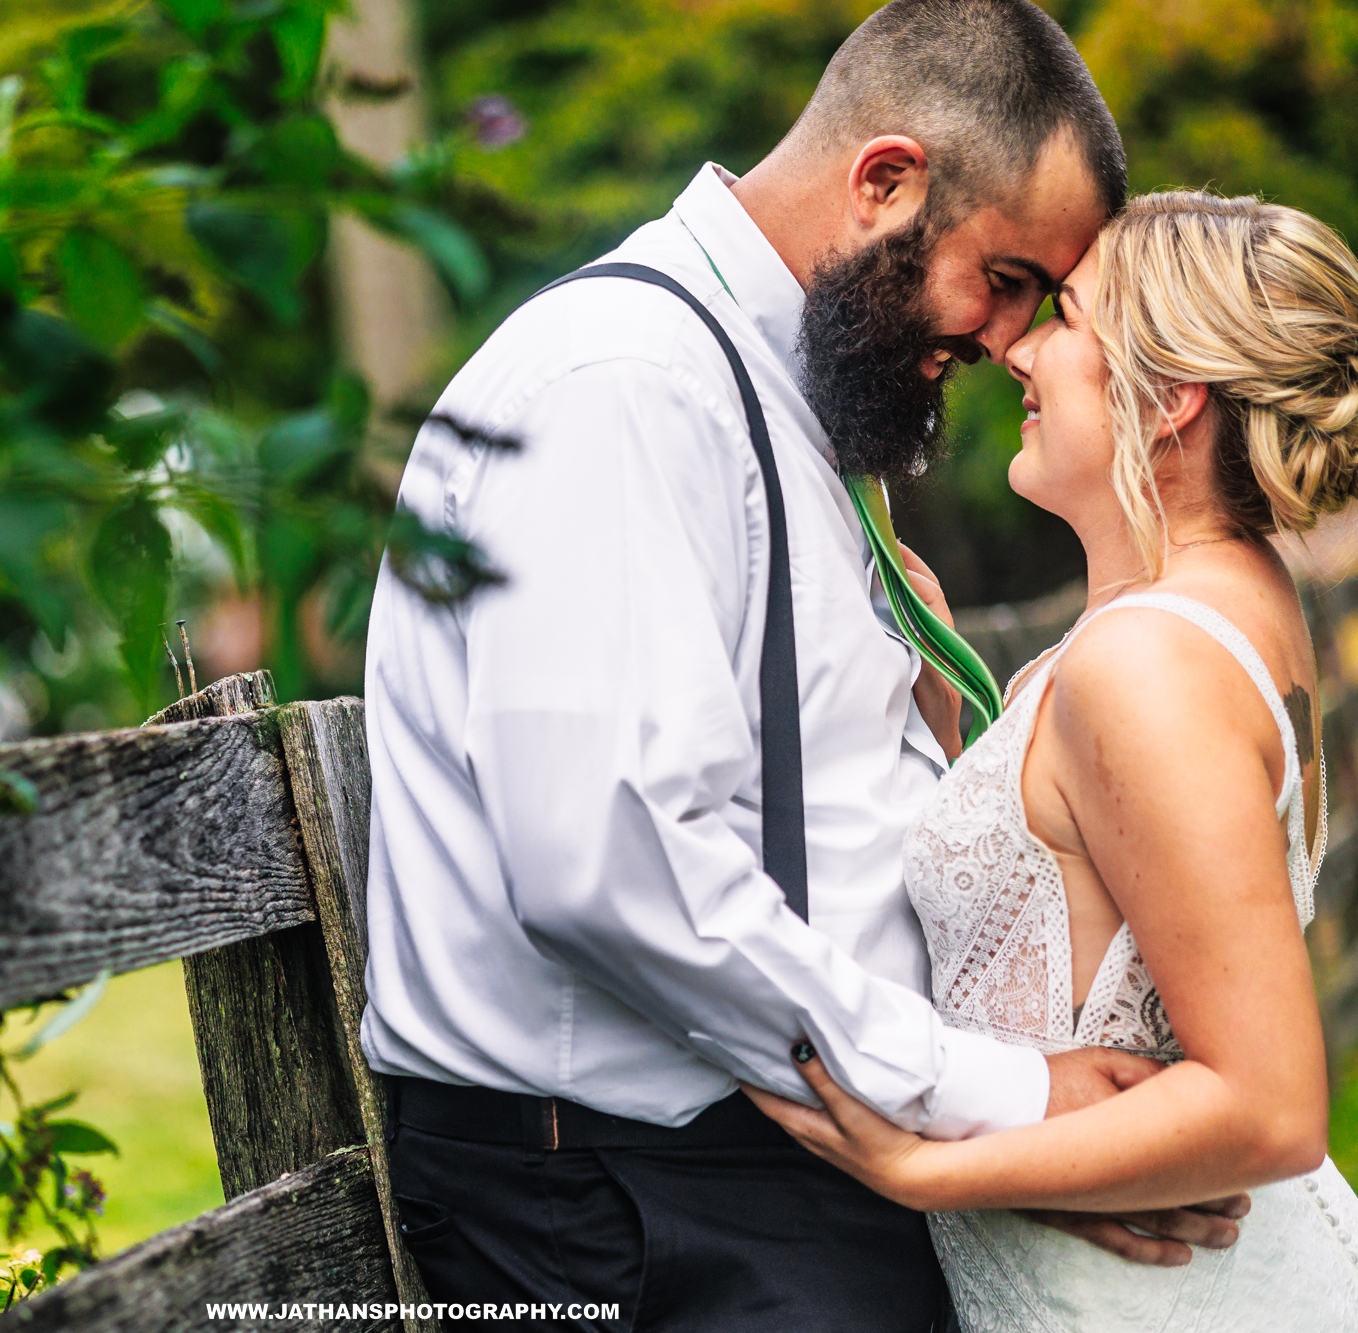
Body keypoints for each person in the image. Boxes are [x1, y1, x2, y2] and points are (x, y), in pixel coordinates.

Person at [361, 2, 1243, 1328]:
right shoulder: (623, 387)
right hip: (633, 1189)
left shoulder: (780, 389)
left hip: (765, 1141)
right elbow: (614, 867)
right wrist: (999, 1105)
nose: (1009, 344)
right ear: (886, 181)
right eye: (1005, 280)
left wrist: (1013, 1128)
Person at [744, 190, 1358, 1330]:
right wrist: (953, 731)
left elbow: (1269, 1104)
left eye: (1066, 318)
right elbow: (1082, 907)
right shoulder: (1217, 602)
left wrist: (918, 1172)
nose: (1015, 347)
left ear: (1169, 400)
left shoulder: (1145, 664)